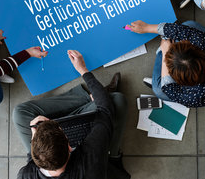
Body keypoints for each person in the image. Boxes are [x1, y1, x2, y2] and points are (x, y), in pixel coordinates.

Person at [13, 50, 130, 179]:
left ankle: (89, 98)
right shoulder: (91, 158)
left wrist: (34, 141)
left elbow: (31, 161)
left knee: (20, 113)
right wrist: (83, 70)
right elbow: (105, 110)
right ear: (69, 146)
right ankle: (113, 156)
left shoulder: (25, 175)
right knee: (116, 101)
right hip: (95, 162)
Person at [127, 20, 205, 108]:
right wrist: (147, 27)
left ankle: (161, 58)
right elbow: (186, 32)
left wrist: (164, 50)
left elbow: (168, 88)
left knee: (158, 89)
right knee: (189, 26)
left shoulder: (195, 96)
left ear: (180, 81)